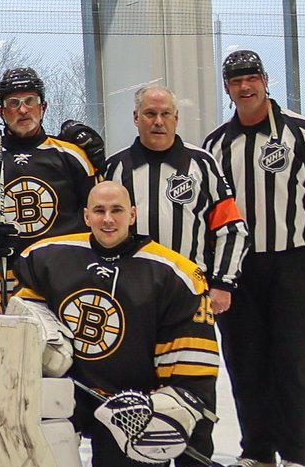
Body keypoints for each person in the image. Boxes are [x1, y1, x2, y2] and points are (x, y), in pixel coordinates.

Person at [12, 182, 220, 467]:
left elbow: (192, 368)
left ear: (133, 215)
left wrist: (162, 408)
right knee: (32, 405)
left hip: (129, 407)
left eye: (117, 211)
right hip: (66, 400)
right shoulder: (44, 257)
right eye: (100, 211)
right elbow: (20, 327)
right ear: (87, 215)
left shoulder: (176, 273)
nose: (108, 220)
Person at [203, 49, 305, 467]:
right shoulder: (215, 146)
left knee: (296, 361)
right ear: (228, 88)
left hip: (296, 262)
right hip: (240, 270)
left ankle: (296, 455)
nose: (245, 86)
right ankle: (257, 455)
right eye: (236, 80)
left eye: (252, 78)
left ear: (266, 80)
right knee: (247, 361)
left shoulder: (304, 133)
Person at [104, 86, 246, 318]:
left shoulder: (203, 165)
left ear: (176, 118)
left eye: (166, 114)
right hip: (128, 292)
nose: (158, 121)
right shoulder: (114, 168)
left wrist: (223, 283)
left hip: (190, 289)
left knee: (190, 355)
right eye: (150, 114)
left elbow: (230, 228)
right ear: (135, 117)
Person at [0, 67, 96, 283]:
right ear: (1, 112)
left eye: (30, 101)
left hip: (66, 278)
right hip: (4, 280)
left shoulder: (72, 155)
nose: (23, 110)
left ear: (43, 107)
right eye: (13, 103)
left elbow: (97, 216)